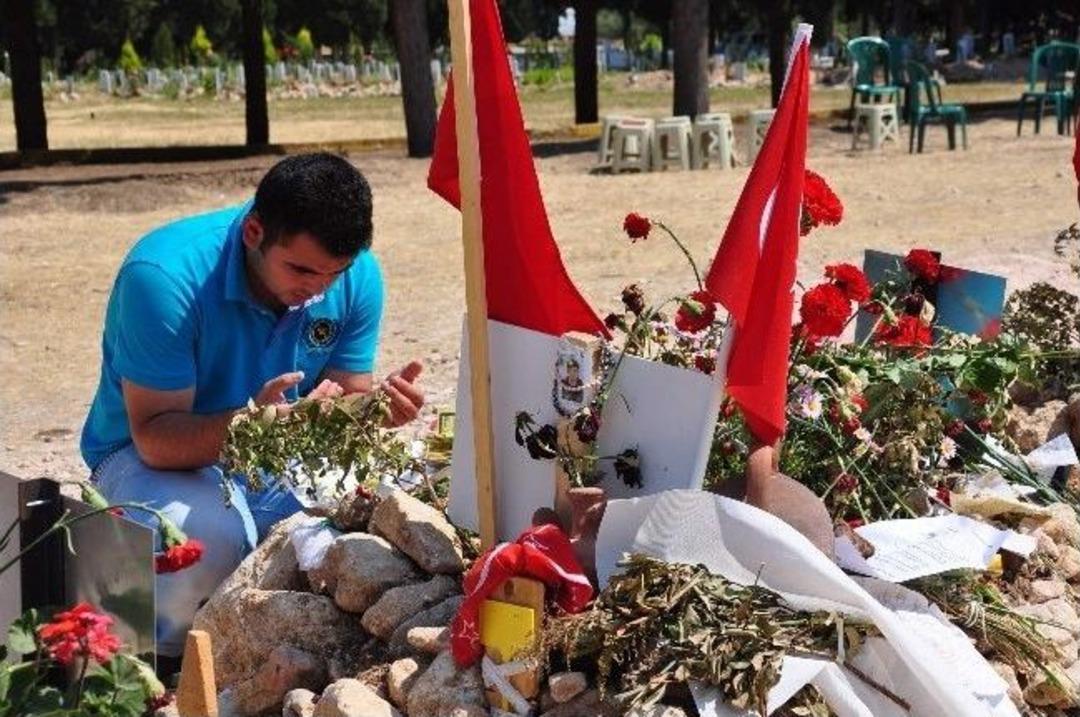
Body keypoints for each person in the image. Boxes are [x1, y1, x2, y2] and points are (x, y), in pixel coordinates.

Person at [80, 153, 424, 662]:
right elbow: (155, 438)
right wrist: (253, 427)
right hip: (146, 459)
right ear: (254, 232)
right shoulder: (163, 276)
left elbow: (346, 393)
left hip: (276, 449)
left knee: (397, 499)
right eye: (301, 269)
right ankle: (170, 667)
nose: (317, 289)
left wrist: (374, 410)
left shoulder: (355, 276)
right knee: (204, 535)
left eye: (335, 274)